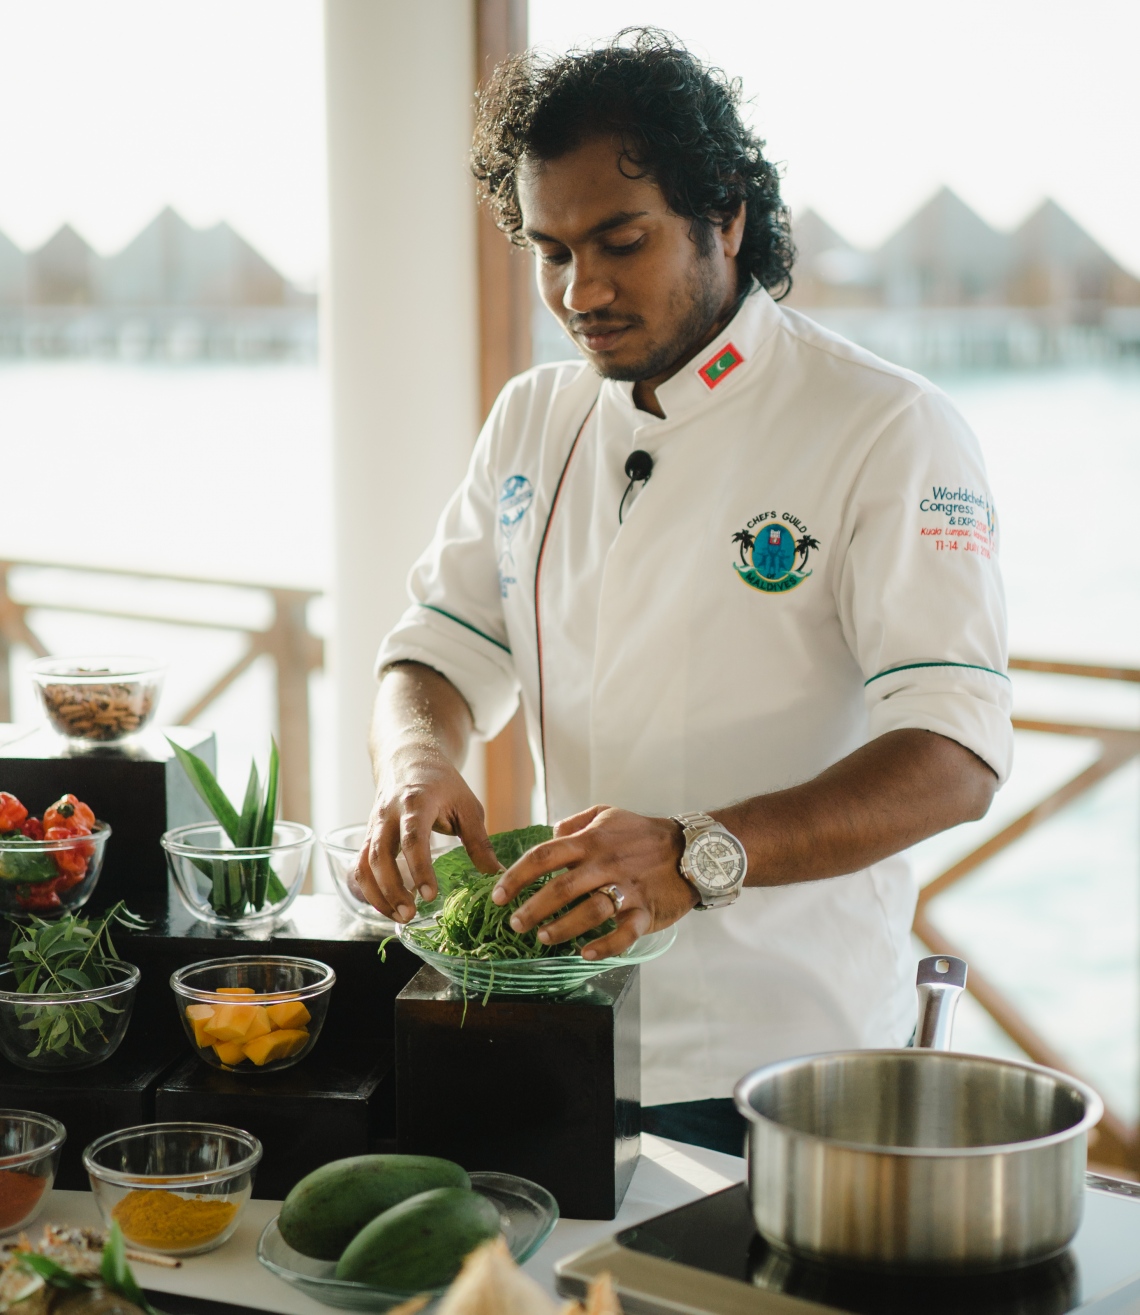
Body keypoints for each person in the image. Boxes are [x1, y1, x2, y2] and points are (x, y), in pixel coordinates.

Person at [354, 30, 1011, 1155]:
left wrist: (692, 851)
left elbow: (955, 756)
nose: (582, 291)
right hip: (565, 1023)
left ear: (727, 213)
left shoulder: (888, 426)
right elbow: (438, 648)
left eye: (622, 241)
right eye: (552, 252)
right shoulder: (533, 417)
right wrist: (415, 761)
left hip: (791, 1062)